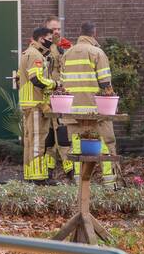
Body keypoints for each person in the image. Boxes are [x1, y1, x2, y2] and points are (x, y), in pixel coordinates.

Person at [61, 22, 117, 185]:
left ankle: (80, 184)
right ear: (94, 33)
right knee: (106, 144)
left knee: (77, 147)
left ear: (80, 33)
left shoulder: (67, 54)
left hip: (72, 111)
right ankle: (111, 184)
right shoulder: (97, 52)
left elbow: (62, 84)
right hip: (95, 111)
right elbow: (105, 83)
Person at [17, 26, 56, 183]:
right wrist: (54, 84)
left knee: (29, 141)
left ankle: (30, 174)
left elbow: (20, 77)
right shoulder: (35, 55)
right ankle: (38, 177)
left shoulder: (27, 53)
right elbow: (36, 79)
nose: (51, 42)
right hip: (36, 104)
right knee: (38, 141)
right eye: (49, 39)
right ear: (41, 39)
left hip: (29, 103)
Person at [43, 15, 74, 179]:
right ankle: (48, 170)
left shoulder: (67, 46)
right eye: (53, 29)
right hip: (45, 97)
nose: (56, 32)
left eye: (58, 29)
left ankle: (70, 170)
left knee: (62, 132)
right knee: (49, 136)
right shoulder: (41, 48)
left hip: (62, 96)